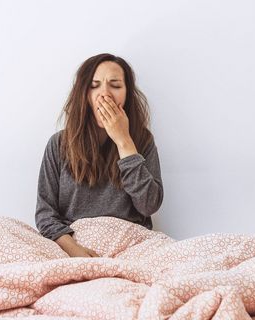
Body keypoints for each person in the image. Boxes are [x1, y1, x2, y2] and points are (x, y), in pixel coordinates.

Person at [34, 53, 164, 258]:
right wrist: (77, 252)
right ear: (83, 95)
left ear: (127, 94)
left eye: (115, 85)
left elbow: (149, 205)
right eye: (94, 85)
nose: (105, 94)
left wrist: (124, 142)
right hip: (75, 245)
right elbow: (45, 215)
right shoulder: (58, 144)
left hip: (131, 246)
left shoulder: (142, 141)